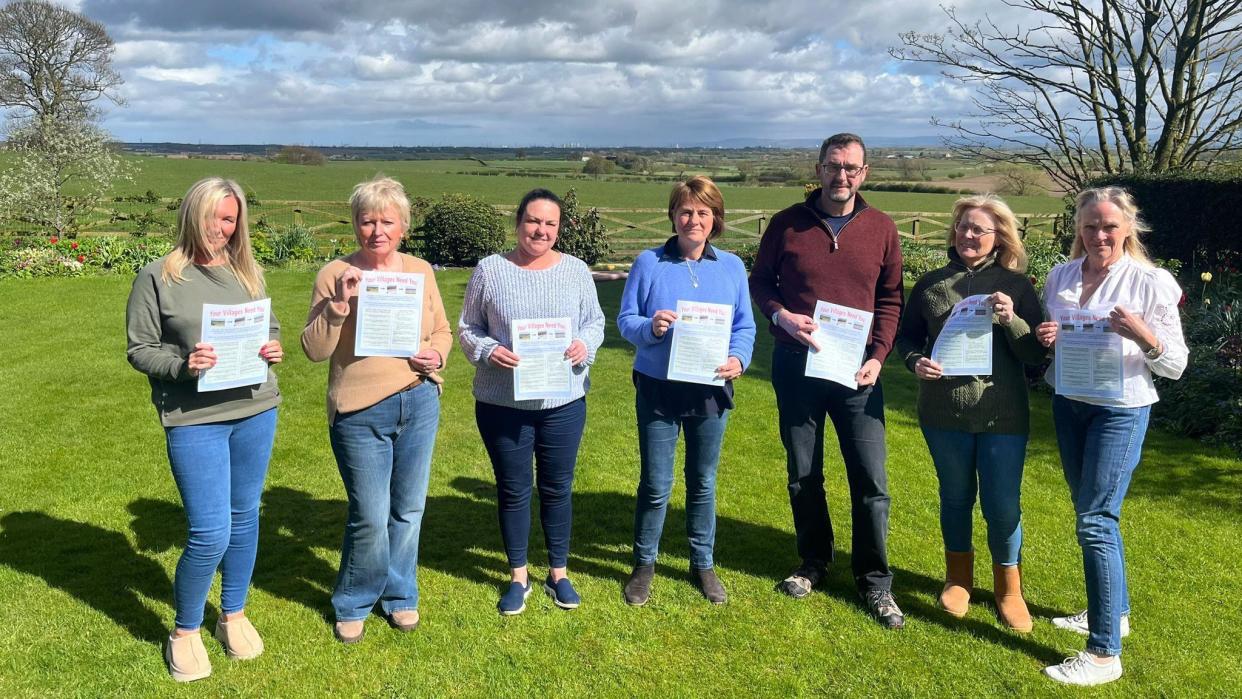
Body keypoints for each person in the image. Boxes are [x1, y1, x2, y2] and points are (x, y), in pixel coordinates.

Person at [126, 177, 283, 682]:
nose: (222, 228)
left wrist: (270, 348)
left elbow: (270, 327)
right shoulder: (157, 277)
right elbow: (140, 349)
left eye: (231, 218)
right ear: (192, 215)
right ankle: (186, 629)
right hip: (194, 419)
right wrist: (183, 365)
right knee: (209, 530)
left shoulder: (247, 272)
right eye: (214, 216)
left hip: (256, 409)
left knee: (245, 519)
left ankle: (232, 614)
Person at [748, 133, 905, 628]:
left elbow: (891, 300)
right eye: (834, 166)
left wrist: (879, 356)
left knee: (870, 480)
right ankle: (814, 562)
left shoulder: (881, 227)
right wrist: (781, 317)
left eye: (852, 168)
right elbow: (761, 281)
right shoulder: (786, 224)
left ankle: (875, 582)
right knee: (803, 474)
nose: (843, 176)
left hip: (858, 371)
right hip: (797, 365)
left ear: (866, 173)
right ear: (817, 169)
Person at [1035, 187, 1186, 686]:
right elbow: (1057, 334)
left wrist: (1143, 334)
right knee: (1090, 513)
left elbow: (1176, 366)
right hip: (1069, 403)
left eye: (1109, 226)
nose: (1099, 235)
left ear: (1128, 229)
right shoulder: (1060, 276)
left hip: (1120, 411)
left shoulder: (1149, 282)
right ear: (1077, 229)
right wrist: (1049, 336)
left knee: (1096, 521)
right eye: (1089, 226)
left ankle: (1103, 654)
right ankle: (1113, 612)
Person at [301, 176, 452, 644]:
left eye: (387, 221)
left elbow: (442, 331)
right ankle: (354, 600)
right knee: (369, 512)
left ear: (403, 226)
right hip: (359, 410)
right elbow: (313, 349)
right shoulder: (335, 273)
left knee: (408, 508)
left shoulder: (420, 270)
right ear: (355, 225)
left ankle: (401, 594)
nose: (377, 230)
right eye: (367, 221)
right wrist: (339, 305)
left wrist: (438, 355)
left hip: (418, 398)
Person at [895, 194, 1046, 631]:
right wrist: (914, 363)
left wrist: (1012, 318)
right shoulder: (931, 284)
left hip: (1004, 416)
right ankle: (958, 578)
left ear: (999, 236)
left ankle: (1008, 588)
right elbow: (907, 340)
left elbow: (1034, 352)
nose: (968, 235)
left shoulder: (1016, 286)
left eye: (979, 229)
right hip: (944, 413)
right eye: (962, 226)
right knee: (956, 498)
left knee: (1002, 505)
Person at [458, 188, 605, 615]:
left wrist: (584, 345)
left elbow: (595, 322)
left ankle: (558, 572)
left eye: (550, 223)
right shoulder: (490, 270)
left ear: (559, 228)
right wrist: (488, 351)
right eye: (533, 221)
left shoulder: (576, 271)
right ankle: (518, 576)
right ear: (518, 221)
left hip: (563, 401)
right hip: (503, 404)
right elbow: (468, 327)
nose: (540, 230)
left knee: (558, 488)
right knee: (514, 489)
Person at [616, 177, 756, 606]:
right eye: (685, 211)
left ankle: (702, 562)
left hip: (711, 390)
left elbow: (744, 326)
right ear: (673, 215)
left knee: (702, 482)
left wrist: (739, 359)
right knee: (656, 485)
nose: (693, 219)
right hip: (659, 389)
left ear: (715, 218)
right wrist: (651, 328)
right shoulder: (649, 262)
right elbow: (625, 320)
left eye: (702, 211)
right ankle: (644, 563)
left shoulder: (731, 267)